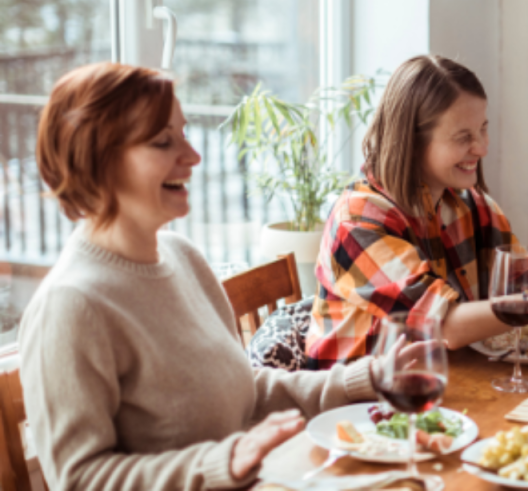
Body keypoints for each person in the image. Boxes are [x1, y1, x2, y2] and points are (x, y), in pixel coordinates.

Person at [21, 62, 396, 490]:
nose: (193, 157)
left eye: (183, 134)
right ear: (97, 161)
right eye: (164, 141)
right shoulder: (70, 306)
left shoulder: (183, 257)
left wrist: (361, 380)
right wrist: (224, 461)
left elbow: (236, 388)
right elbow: (79, 479)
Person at [307, 55, 528, 367]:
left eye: (483, 129)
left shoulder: (472, 206)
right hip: (359, 403)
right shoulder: (358, 221)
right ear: (412, 142)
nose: (482, 148)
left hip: (440, 381)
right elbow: (448, 327)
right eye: (464, 137)